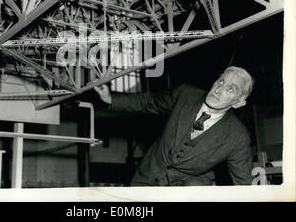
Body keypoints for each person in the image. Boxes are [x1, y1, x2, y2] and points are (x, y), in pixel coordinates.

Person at [94, 66, 254, 186]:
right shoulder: (186, 95)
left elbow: (243, 183)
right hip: (148, 177)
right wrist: (109, 98)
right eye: (221, 81)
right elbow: (149, 102)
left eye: (230, 88)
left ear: (239, 102)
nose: (218, 89)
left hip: (189, 187)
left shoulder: (238, 137)